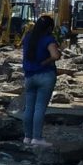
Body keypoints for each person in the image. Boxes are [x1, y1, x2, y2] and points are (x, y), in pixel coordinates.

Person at [21, 15, 61, 147]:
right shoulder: (48, 39)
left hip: (29, 76)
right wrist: (46, 61)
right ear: (49, 28)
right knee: (39, 107)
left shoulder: (28, 37)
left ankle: (27, 137)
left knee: (29, 107)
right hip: (45, 76)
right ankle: (37, 138)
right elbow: (55, 55)